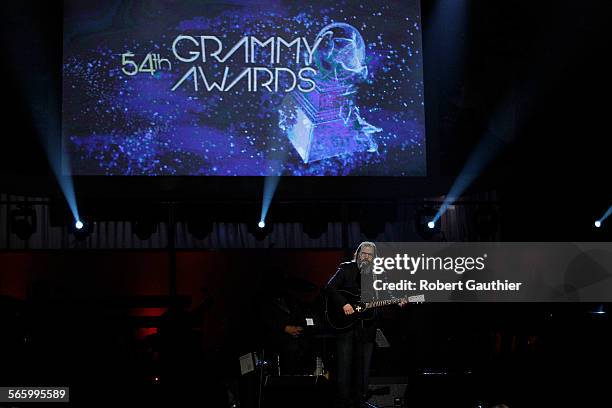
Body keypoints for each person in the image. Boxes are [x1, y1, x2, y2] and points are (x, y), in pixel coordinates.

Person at [326, 242, 406, 408]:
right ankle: (343, 400)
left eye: (370, 254)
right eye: (364, 253)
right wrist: (344, 304)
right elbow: (330, 287)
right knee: (345, 363)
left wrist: (398, 300)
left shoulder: (378, 272)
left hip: (368, 324)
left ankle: (360, 398)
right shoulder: (346, 268)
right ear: (357, 254)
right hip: (346, 324)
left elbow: (386, 292)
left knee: (364, 363)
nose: (366, 257)